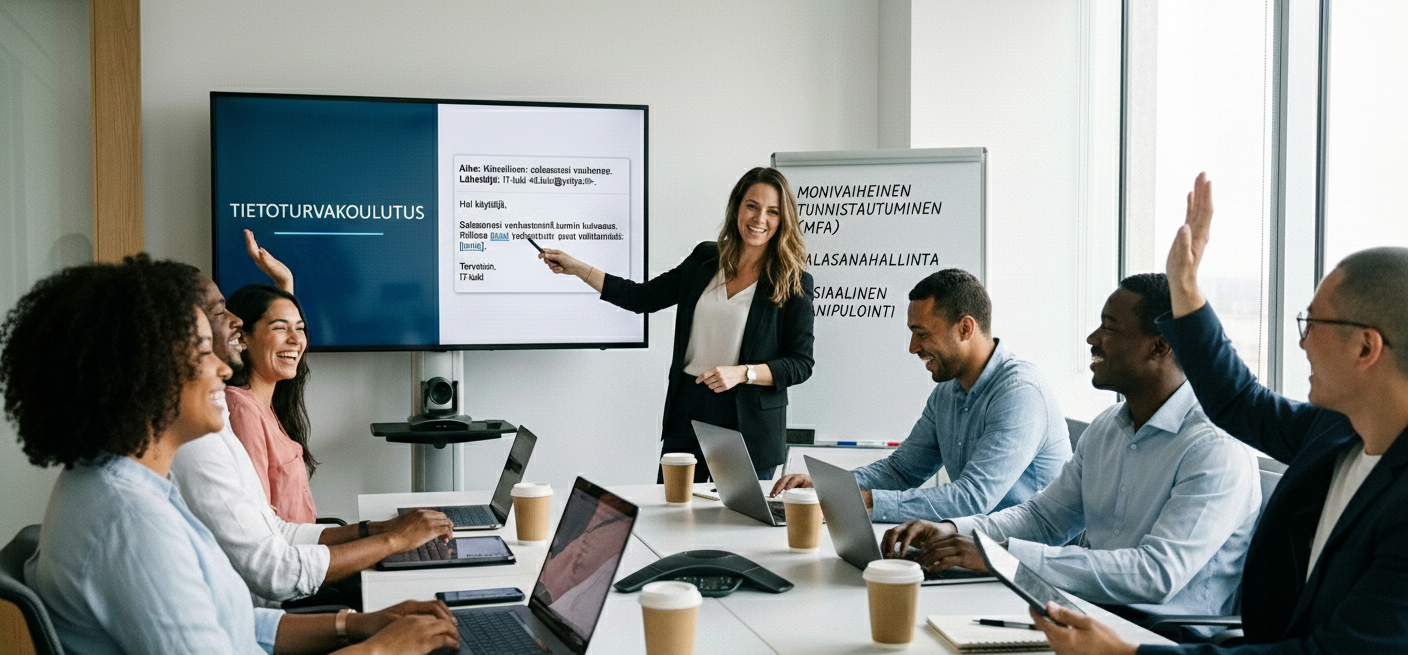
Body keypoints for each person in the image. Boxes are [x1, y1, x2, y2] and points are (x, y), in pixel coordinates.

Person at [1, 254, 457, 655]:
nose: (223, 366)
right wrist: (380, 651)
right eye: (203, 352)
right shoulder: (131, 522)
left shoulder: (127, 481)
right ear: (145, 372)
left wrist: (357, 624)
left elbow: (236, 625)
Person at [1031, 173, 1408, 654]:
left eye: (1312, 323)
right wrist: (1184, 287)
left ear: (1366, 347)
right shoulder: (1337, 431)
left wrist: (1129, 654)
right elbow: (1238, 400)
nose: (1302, 342)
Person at [880, 273, 1261, 628]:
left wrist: (1001, 555)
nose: (1092, 338)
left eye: (1109, 328)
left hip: (1164, 638)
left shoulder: (1215, 448)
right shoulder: (1108, 427)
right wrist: (951, 531)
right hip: (1085, 613)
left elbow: (1155, 575)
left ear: (1159, 346)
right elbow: (1043, 519)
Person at [171, 230, 454, 610]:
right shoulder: (234, 412)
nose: (296, 340)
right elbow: (272, 562)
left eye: (301, 329)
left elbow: (273, 529)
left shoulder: (263, 405)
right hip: (288, 597)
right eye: (224, 315)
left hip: (301, 571)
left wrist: (381, 530)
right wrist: (391, 540)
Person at [539, 167, 814, 481]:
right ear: (737, 206)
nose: (759, 218)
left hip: (750, 424)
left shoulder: (794, 282)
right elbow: (641, 297)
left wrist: (744, 373)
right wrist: (577, 268)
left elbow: (800, 363)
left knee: (739, 524)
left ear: (783, 220)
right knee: (673, 515)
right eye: (752, 205)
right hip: (689, 410)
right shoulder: (704, 259)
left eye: (772, 211)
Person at [770, 269, 1071, 522]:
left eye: (923, 334)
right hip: (975, 546)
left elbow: (972, 498)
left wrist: (857, 502)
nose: (913, 347)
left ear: (965, 328)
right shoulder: (947, 392)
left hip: (1028, 562)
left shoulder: (1020, 394)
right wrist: (831, 487)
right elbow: (901, 470)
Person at [225, 282, 319, 522]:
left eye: (300, 329)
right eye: (280, 328)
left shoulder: (268, 403)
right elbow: (261, 524)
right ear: (242, 338)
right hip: (290, 554)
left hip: (303, 546)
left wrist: (286, 283)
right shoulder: (242, 411)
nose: (296, 340)